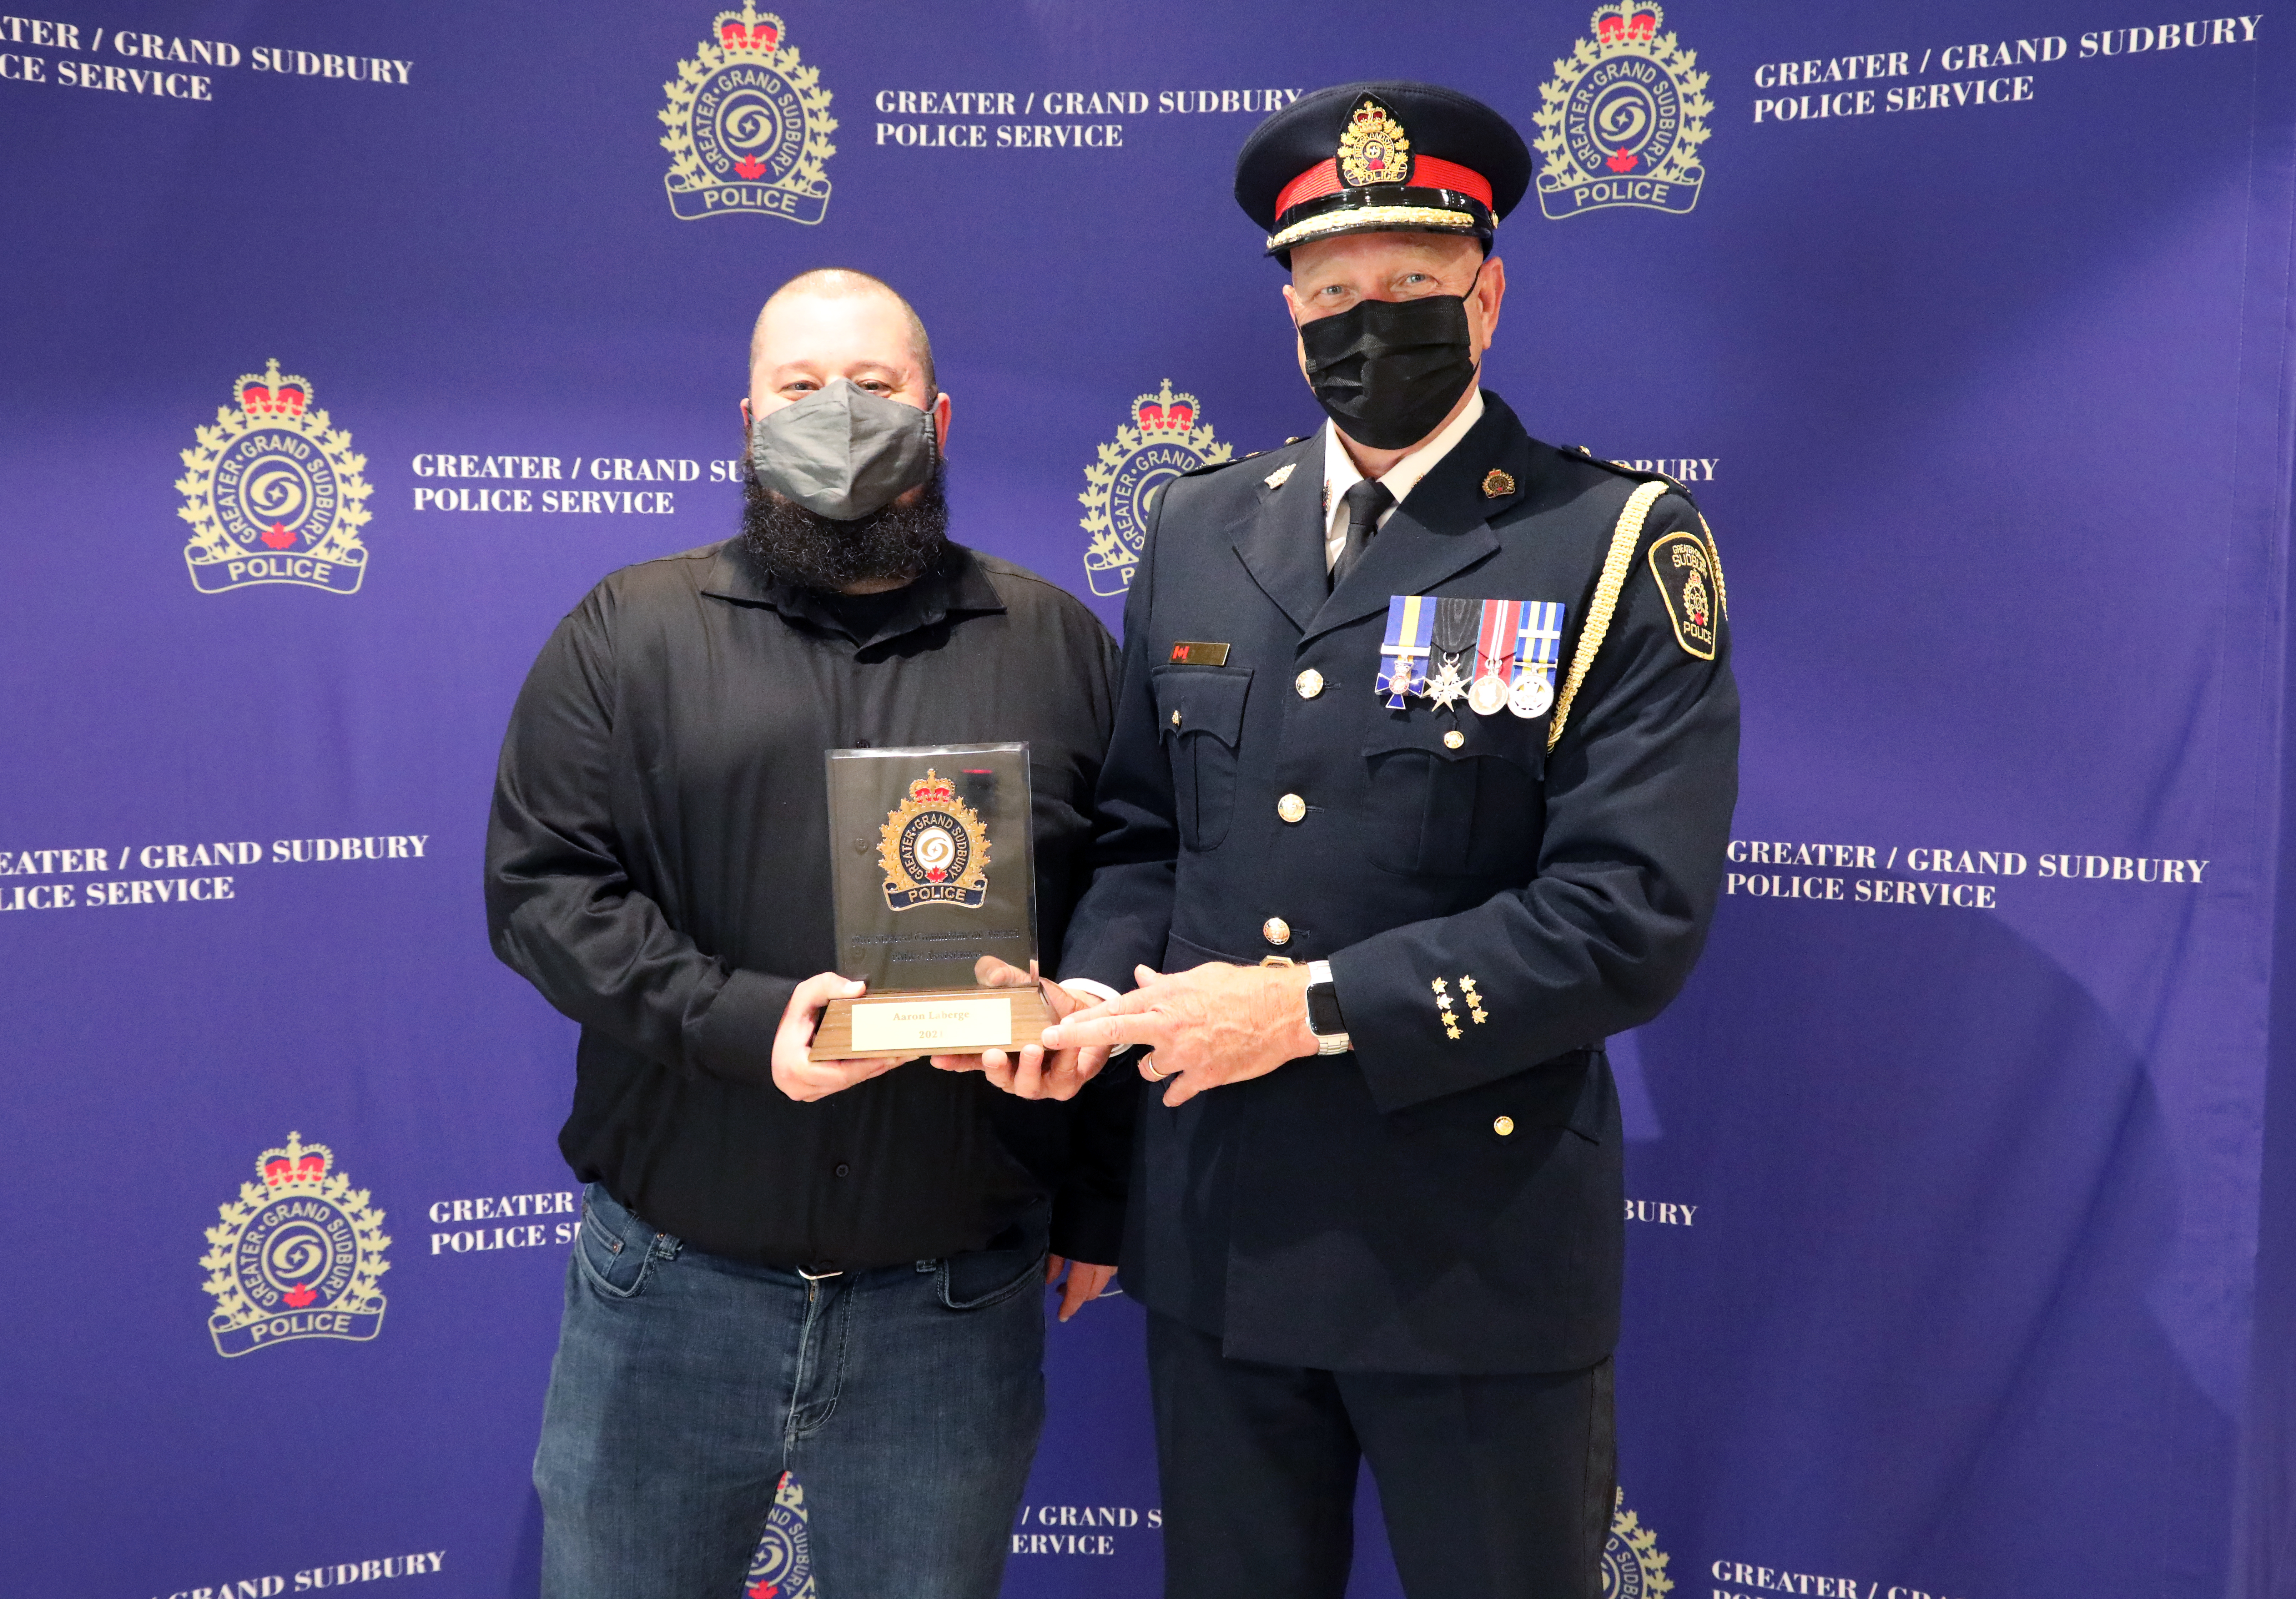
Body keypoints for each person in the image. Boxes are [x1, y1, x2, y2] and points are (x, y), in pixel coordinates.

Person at [1022, 82, 1740, 1598]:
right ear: (1289, 312)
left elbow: (1630, 912)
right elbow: (1150, 837)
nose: (1369, 320)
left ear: (1488, 297)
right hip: (1219, 1240)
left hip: (1468, 1258)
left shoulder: (1609, 541)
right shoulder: (1202, 530)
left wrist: (1307, 1008)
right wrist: (1094, 994)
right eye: (1332, 290)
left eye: (1411, 287)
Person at [485, 267, 1132, 1599]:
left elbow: (1136, 885)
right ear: (748, 420)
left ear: (939, 416)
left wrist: (1094, 1113)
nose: (839, 413)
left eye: (877, 386)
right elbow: (541, 892)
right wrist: (745, 1022)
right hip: (670, 1293)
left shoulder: (1058, 643)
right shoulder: (625, 636)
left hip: (952, 1307)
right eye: (801, 387)